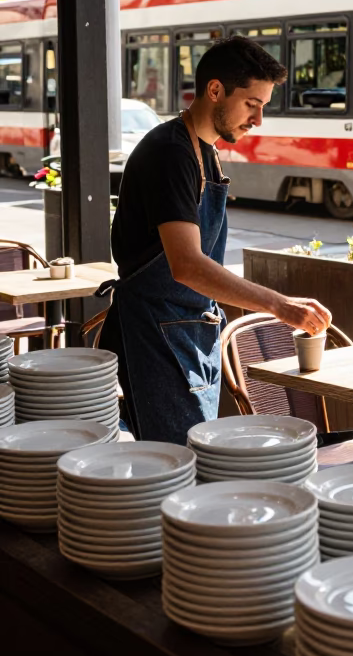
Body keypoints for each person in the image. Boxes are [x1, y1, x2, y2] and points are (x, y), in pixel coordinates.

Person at [99, 36, 331, 444]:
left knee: (193, 462)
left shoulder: (204, 150)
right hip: (154, 334)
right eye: (252, 104)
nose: (258, 120)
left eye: (263, 106)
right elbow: (186, 264)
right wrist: (279, 304)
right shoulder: (170, 153)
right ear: (215, 90)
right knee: (178, 467)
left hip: (189, 330)